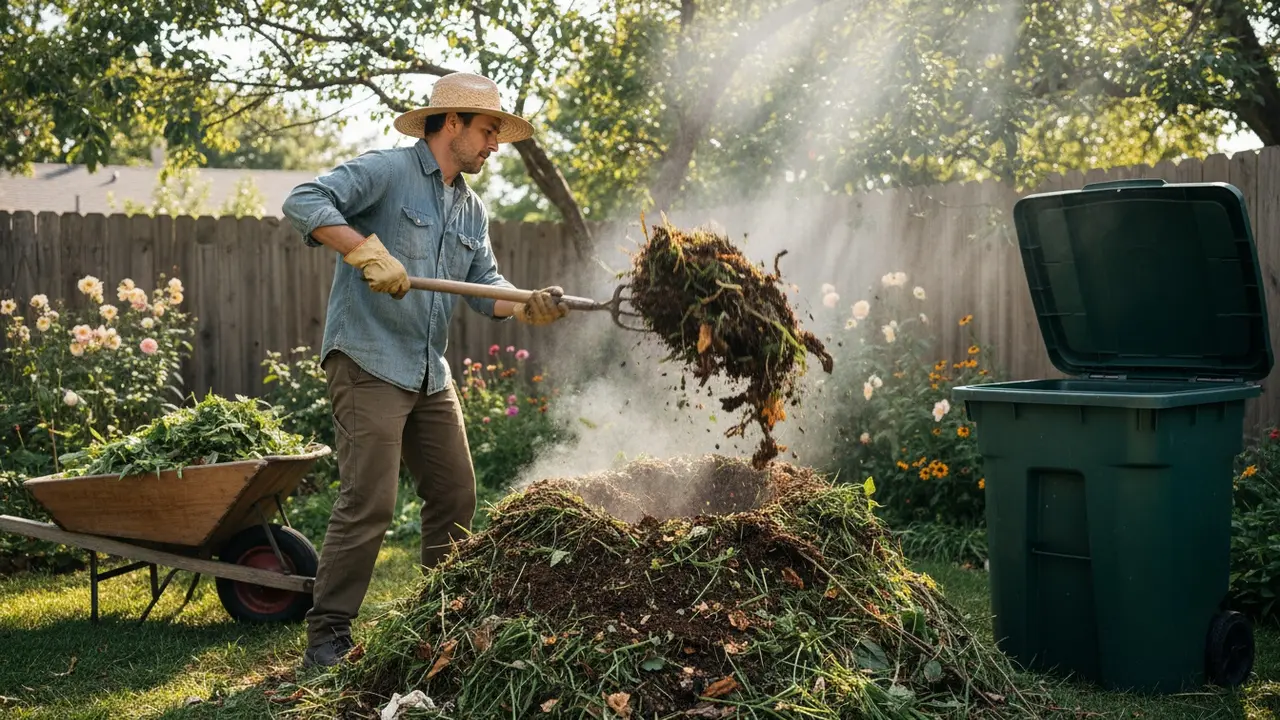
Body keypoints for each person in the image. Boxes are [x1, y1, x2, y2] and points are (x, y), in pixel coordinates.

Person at [281, 72, 569, 669]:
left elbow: (485, 288)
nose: (495, 145)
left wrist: (527, 303)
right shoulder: (387, 171)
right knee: (370, 502)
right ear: (452, 123)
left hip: (427, 372)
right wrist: (363, 249)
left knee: (455, 494)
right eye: (489, 131)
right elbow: (303, 200)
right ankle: (329, 634)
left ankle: (441, 618)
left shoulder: (471, 205)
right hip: (367, 358)